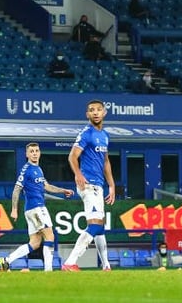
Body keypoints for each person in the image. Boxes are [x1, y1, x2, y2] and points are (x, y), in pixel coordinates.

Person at [0, 143, 74, 272]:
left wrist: (63, 190)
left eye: (36, 151)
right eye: (31, 151)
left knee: (35, 242)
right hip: (36, 208)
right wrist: (14, 209)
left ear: (40, 153)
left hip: (33, 210)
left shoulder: (38, 169)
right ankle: (48, 271)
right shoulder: (26, 169)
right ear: (27, 154)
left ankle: (6, 261)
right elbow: (17, 189)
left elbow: (47, 187)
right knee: (50, 236)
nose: (34, 153)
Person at [62, 100, 116, 271]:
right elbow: (72, 156)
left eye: (99, 110)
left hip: (99, 186)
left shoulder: (105, 135)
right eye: (92, 110)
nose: (95, 113)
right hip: (88, 185)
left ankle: (106, 266)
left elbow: (106, 161)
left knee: (99, 227)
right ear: (87, 115)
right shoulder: (86, 133)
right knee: (94, 225)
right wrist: (78, 174)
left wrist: (112, 185)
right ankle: (70, 262)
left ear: (104, 113)